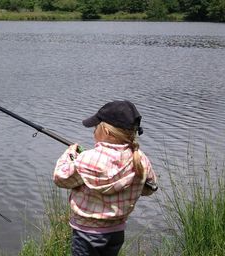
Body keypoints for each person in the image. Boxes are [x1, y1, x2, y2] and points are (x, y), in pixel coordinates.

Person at [53, 100, 158, 256]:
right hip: (116, 233)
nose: (93, 131)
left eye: (96, 127)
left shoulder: (88, 159)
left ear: (107, 132)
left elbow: (60, 178)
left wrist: (70, 154)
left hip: (86, 234)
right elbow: (150, 188)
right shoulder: (140, 159)